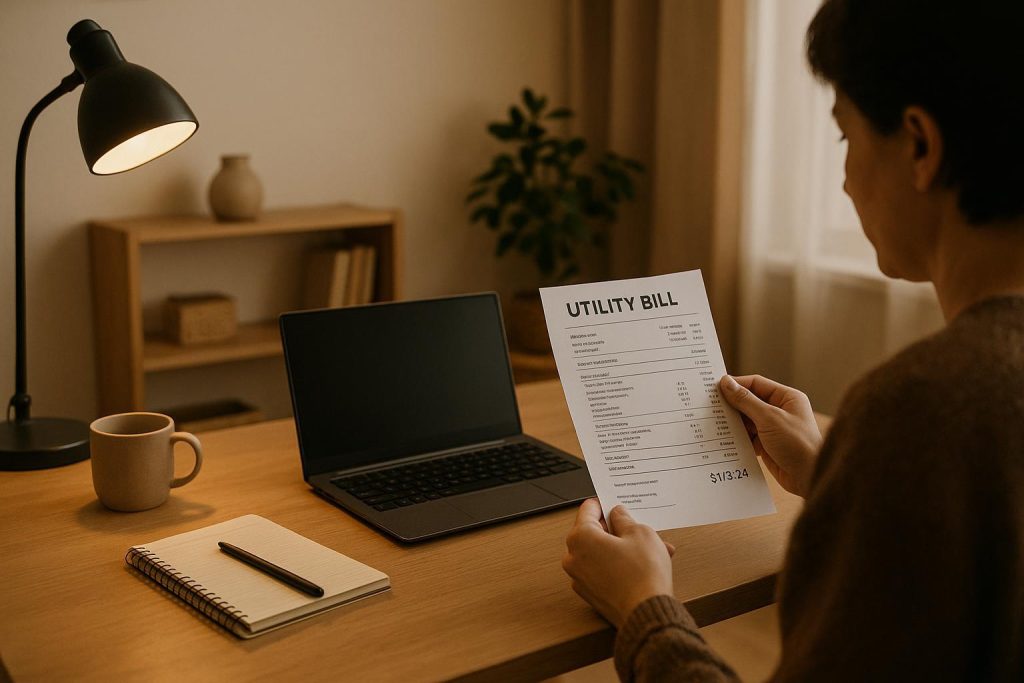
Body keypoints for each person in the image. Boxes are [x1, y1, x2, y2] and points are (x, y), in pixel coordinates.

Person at [561, 0, 1024, 680]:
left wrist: (642, 605)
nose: (842, 177)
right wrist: (836, 470)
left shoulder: (922, 408)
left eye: (845, 138)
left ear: (920, 145)